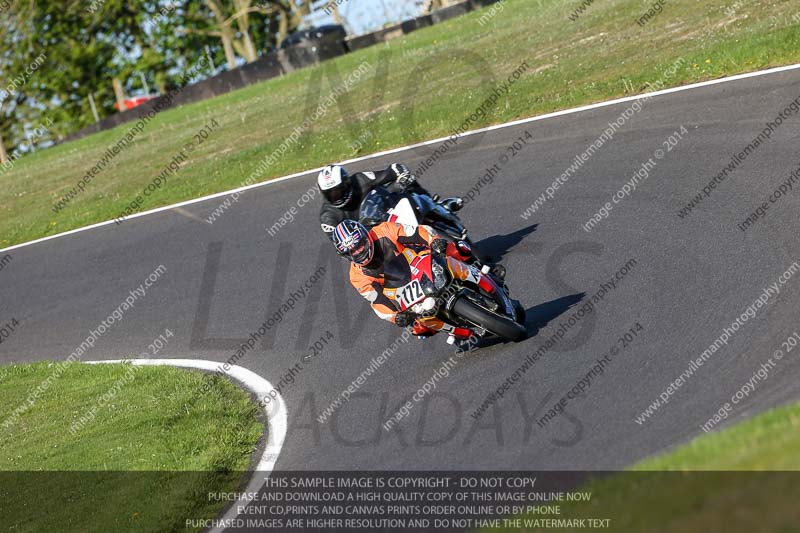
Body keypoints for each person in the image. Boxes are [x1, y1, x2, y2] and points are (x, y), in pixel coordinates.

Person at [332, 218, 475, 338]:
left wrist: (434, 241)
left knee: (455, 250)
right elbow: (377, 301)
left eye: (360, 245)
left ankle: (481, 268)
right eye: (352, 251)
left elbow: (416, 232)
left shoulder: (384, 230)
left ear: (365, 236)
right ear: (345, 256)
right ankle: (462, 332)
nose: (359, 251)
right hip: (404, 292)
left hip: (419, 261)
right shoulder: (356, 276)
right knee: (419, 328)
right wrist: (395, 317)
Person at [317, 163, 463, 237]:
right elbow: (340, 246)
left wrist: (403, 175)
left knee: (405, 186)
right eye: (331, 194)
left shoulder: (360, 180)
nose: (337, 196)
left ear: (347, 183)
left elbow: (392, 170)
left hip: (387, 212)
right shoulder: (327, 217)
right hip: (371, 238)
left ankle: (435, 205)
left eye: (339, 190)